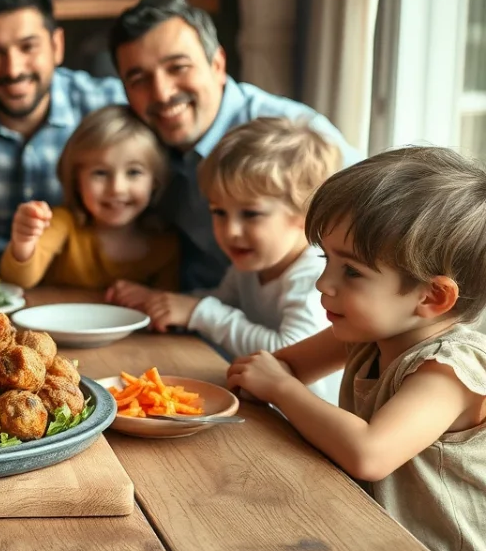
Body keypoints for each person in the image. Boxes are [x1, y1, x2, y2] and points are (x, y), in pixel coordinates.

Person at [227, 146, 486, 551]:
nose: (323, 284)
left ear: (432, 296)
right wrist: (271, 379)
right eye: (325, 259)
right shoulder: (369, 332)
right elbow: (282, 367)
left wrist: (280, 387)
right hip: (366, 538)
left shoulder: (450, 370)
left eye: (352, 271)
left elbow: (370, 455)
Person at [107, 0, 362, 291]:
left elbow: (372, 236)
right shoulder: (136, 140)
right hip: (194, 309)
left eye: (178, 67)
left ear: (217, 64)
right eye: (139, 79)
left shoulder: (298, 138)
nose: (162, 93)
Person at [111, 117, 343, 403]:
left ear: (306, 214)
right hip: (262, 409)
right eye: (219, 212)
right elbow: (222, 302)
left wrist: (200, 312)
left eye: (251, 214)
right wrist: (162, 303)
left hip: (300, 431)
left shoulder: (313, 277)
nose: (230, 231)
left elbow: (287, 354)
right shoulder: (251, 264)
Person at [0, 0, 128, 264]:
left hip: (92, 285)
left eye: (28, 47)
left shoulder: (110, 105)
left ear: (57, 46)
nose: (13, 69)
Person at [0, 105, 177, 291]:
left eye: (134, 172)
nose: (117, 188)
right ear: (77, 180)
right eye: (100, 173)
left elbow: (163, 308)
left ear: (155, 180)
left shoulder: (165, 247)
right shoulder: (63, 223)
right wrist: (24, 241)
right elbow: (17, 283)